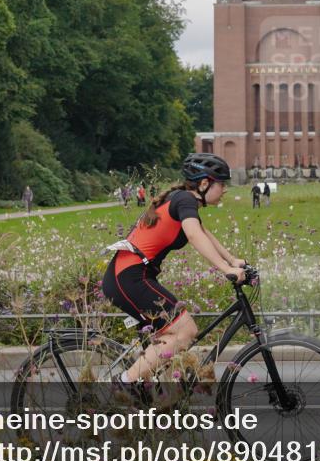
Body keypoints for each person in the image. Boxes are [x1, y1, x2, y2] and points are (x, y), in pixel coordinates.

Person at [102, 153, 245, 394]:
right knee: (185, 330)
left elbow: (203, 233)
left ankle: (151, 403)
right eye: (221, 183)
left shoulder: (183, 201)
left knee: (168, 344)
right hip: (128, 278)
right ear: (203, 184)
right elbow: (194, 235)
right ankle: (124, 384)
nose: (225, 190)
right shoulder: (184, 201)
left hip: (134, 276)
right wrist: (226, 270)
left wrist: (233, 261)